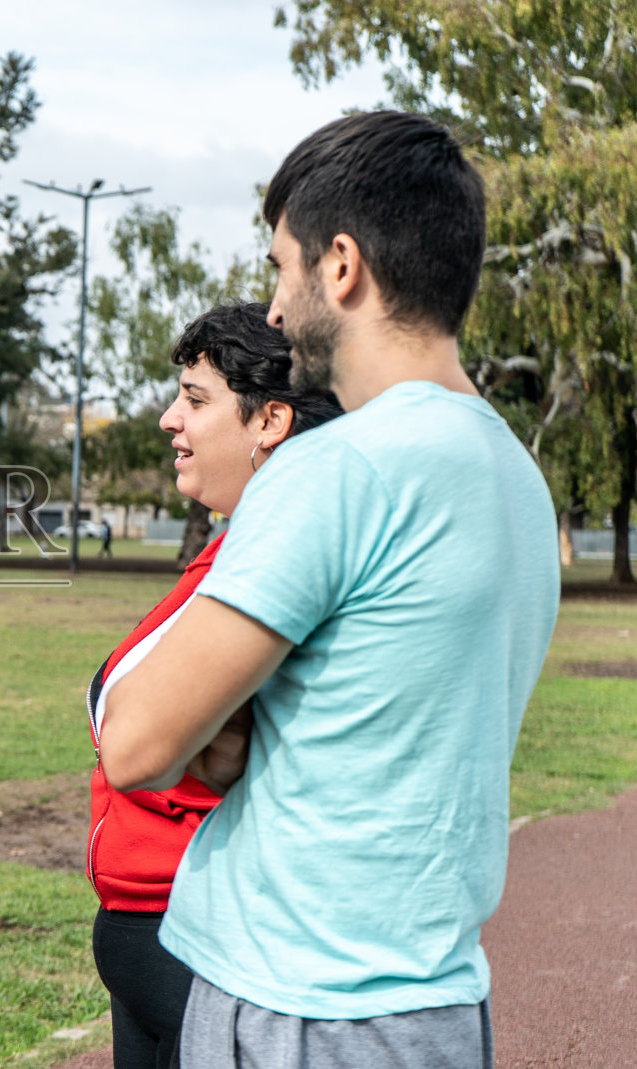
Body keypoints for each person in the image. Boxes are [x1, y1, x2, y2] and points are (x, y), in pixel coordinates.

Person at [100, 111, 561, 1068]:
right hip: (433, 999)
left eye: (282, 266)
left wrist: (223, 730)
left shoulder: (337, 468)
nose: (273, 307)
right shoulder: (516, 475)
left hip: (298, 1003)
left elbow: (138, 740)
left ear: (340, 265)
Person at [87, 303, 341, 1069]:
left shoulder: (272, 552)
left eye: (195, 399)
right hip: (156, 917)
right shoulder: (239, 543)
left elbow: (119, 714)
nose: (170, 419)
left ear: (269, 420)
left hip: (196, 922)